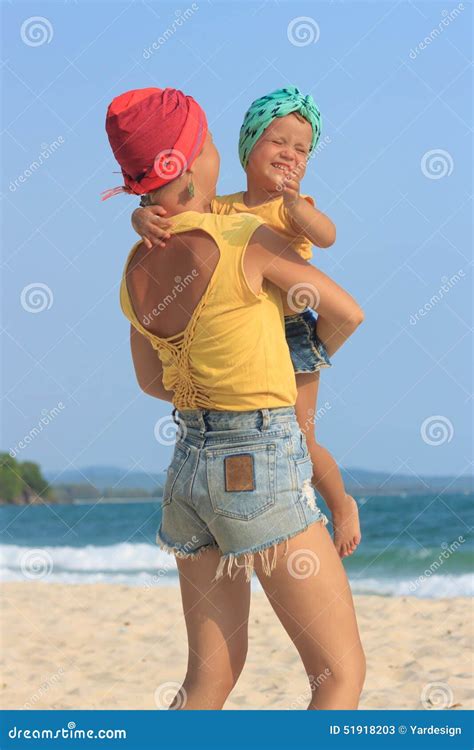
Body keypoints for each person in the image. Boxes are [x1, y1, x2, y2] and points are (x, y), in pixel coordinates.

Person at [104, 86, 366, 710]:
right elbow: (347, 313)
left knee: (208, 681)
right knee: (338, 677)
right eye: (213, 141)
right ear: (192, 163)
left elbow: (150, 381)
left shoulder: (137, 265)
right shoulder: (245, 237)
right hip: (261, 462)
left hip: (189, 469)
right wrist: (290, 353)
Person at [130, 86, 363, 560]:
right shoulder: (223, 208)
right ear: (247, 146)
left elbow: (329, 236)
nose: (290, 154)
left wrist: (297, 206)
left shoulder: (292, 209)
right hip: (243, 342)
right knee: (289, 432)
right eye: (278, 142)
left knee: (302, 433)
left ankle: (342, 506)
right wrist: (140, 218)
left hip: (292, 333)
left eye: (302, 149)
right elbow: (175, 211)